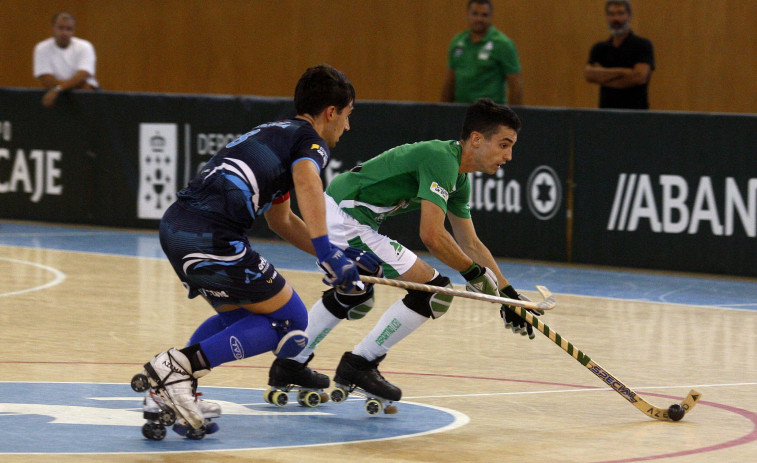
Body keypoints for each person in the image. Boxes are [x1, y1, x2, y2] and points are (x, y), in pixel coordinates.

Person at [268, 98, 540, 411]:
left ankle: (290, 364)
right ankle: (359, 364)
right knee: (434, 293)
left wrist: (507, 296)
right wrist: (474, 274)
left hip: (341, 212)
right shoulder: (442, 159)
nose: (508, 156)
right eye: (504, 145)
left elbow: (471, 243)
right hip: (346, 217)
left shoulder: (458, 178)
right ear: (476, 139)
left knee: (355, 292)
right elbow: (433, 236)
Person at [133, 64, 361, 437]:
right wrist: (326, 251)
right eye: (348, 116)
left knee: (241, 318)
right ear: (331, 112)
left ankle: (170, 393)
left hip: (177, 229)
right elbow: (308, 181)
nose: (347, 127)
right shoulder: (308, 140)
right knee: (292, 321)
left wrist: (336, 253)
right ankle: (175, 367)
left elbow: (281, 221)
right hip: (213, 236)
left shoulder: (275, 133)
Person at [442, 0, 523, 106]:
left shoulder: (503, 44)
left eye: (484, 15)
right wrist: (443, 111)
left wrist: (513, 118)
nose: (479, 19)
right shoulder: (457, 42)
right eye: (475, 14)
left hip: (491, 113)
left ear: (491, 17)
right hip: (462, 112)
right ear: (468, 14)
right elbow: (450, 83)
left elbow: (515, 86)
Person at [584, 0, 655, 109]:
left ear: (629, 16)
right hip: (605, 115)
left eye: (620, 14)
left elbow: (639, 77)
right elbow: (589, 75)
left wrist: (603, 76)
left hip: (637, 115)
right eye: (611, 14)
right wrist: (625, 72)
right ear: (607, 18)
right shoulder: (599, 48)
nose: (616, 19)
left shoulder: (642, 45)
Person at [33, 12, 99, 108]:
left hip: (85, 96)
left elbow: (82, 76)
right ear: (53, 28)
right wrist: (64, 89)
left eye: (69, 29)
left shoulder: (85, 47)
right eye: (61, 28)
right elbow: (46, 79)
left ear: (73, 30)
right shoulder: (41, 48)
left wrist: (58, 90)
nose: (65, 33)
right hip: (57, 95)